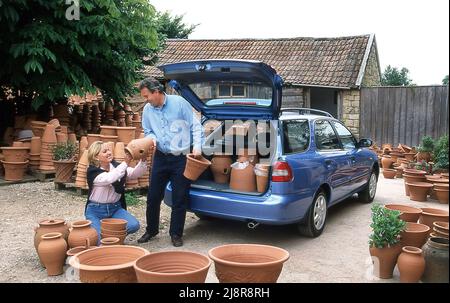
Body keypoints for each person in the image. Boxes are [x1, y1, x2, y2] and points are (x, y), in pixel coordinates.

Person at [137, 77, 203, 247]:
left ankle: (176, 233)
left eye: (147, 96)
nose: (146, 100)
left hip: (181, 157)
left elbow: (195, 126)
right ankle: (151, 230)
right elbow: (148, 130)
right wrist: (151, 139)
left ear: (157, 92)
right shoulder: (147, 110)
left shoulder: (180, 103)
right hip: (160, 156)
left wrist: (197, 146)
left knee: (179, 197)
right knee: (153, 196)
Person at [85, 141, 147, 244]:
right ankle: (107, 239)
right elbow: (110, 178)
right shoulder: (92, 172)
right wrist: (125, 163)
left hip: (115, 209)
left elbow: (135, 173)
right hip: (95, 211)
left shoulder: (117, 166)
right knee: (98, 240)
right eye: (105, 151)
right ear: (96, 157)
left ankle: (110, 237)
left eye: (109, 150)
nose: (109, 153)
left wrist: (143, 160)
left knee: (133, 225)